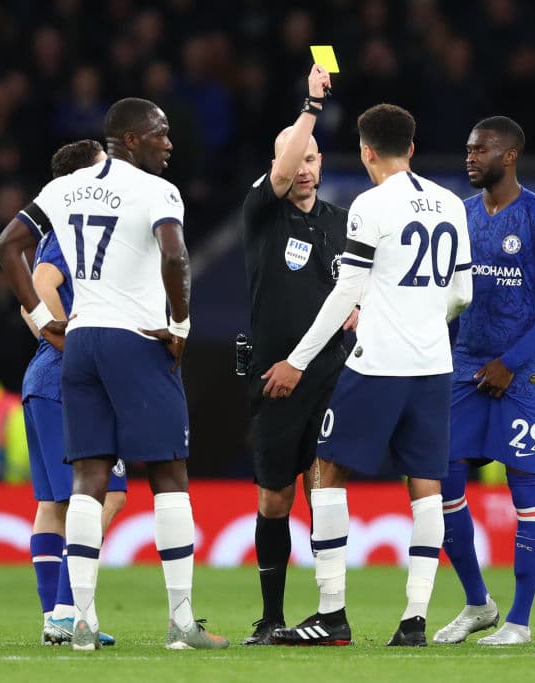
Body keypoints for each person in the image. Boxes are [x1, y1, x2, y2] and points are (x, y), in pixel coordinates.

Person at [0, 98, 228, 651]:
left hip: (82, 344)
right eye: (161, 133)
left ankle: (79, 621)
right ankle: (181, 624)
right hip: (137, 340)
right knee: (170, 473)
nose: (170, 143)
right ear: (129, 138)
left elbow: (7, 246)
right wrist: (182, 322)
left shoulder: (63, 189)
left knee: (87, 482)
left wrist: (43, 318)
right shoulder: (156, 192)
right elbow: (175, 257)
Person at [262, 103, 473, 647]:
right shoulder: (452, 203)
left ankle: (332, 615)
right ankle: (415, 621)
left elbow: (349, 291)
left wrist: (299, 359)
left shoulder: (370, 205)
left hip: (377, 364)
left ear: (365, 151)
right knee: (425, 486)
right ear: (413, 146)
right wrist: (425, 318)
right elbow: (463, 294)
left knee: (326, 472)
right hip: (434, 367)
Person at [432, 116, 535, 647]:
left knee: (527, 495)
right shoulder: (459, 215)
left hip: (521, 377)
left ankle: (518, 619)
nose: (469, 157)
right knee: (440, 485)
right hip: (465, 369)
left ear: (510, 155)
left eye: (481, 150)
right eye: (467, 149)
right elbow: (441, 293)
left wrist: (512, 360)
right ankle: (477, 603)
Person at [240, 64, 354, 646]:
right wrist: (310, 106)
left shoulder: (343, 223)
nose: (303, 168)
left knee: (324, 487)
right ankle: (271, 615)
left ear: (322, 166)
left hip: (332, 376)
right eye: (294, 159)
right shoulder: (263, 213)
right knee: (274, 498)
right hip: (276, 377)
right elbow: (282, 172)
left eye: (311, 159)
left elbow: (363, 290)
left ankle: (331, 614)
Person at [20, 140, 127, 648]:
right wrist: (66, 337)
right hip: (67, 379)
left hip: (41, 380)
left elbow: (28, 301)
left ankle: (54, 617)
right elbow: (41, 281)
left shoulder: (49, 231)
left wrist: (46, 330)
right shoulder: (73, 228)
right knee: (105, 493)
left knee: (53, 503)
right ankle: (67, 609)